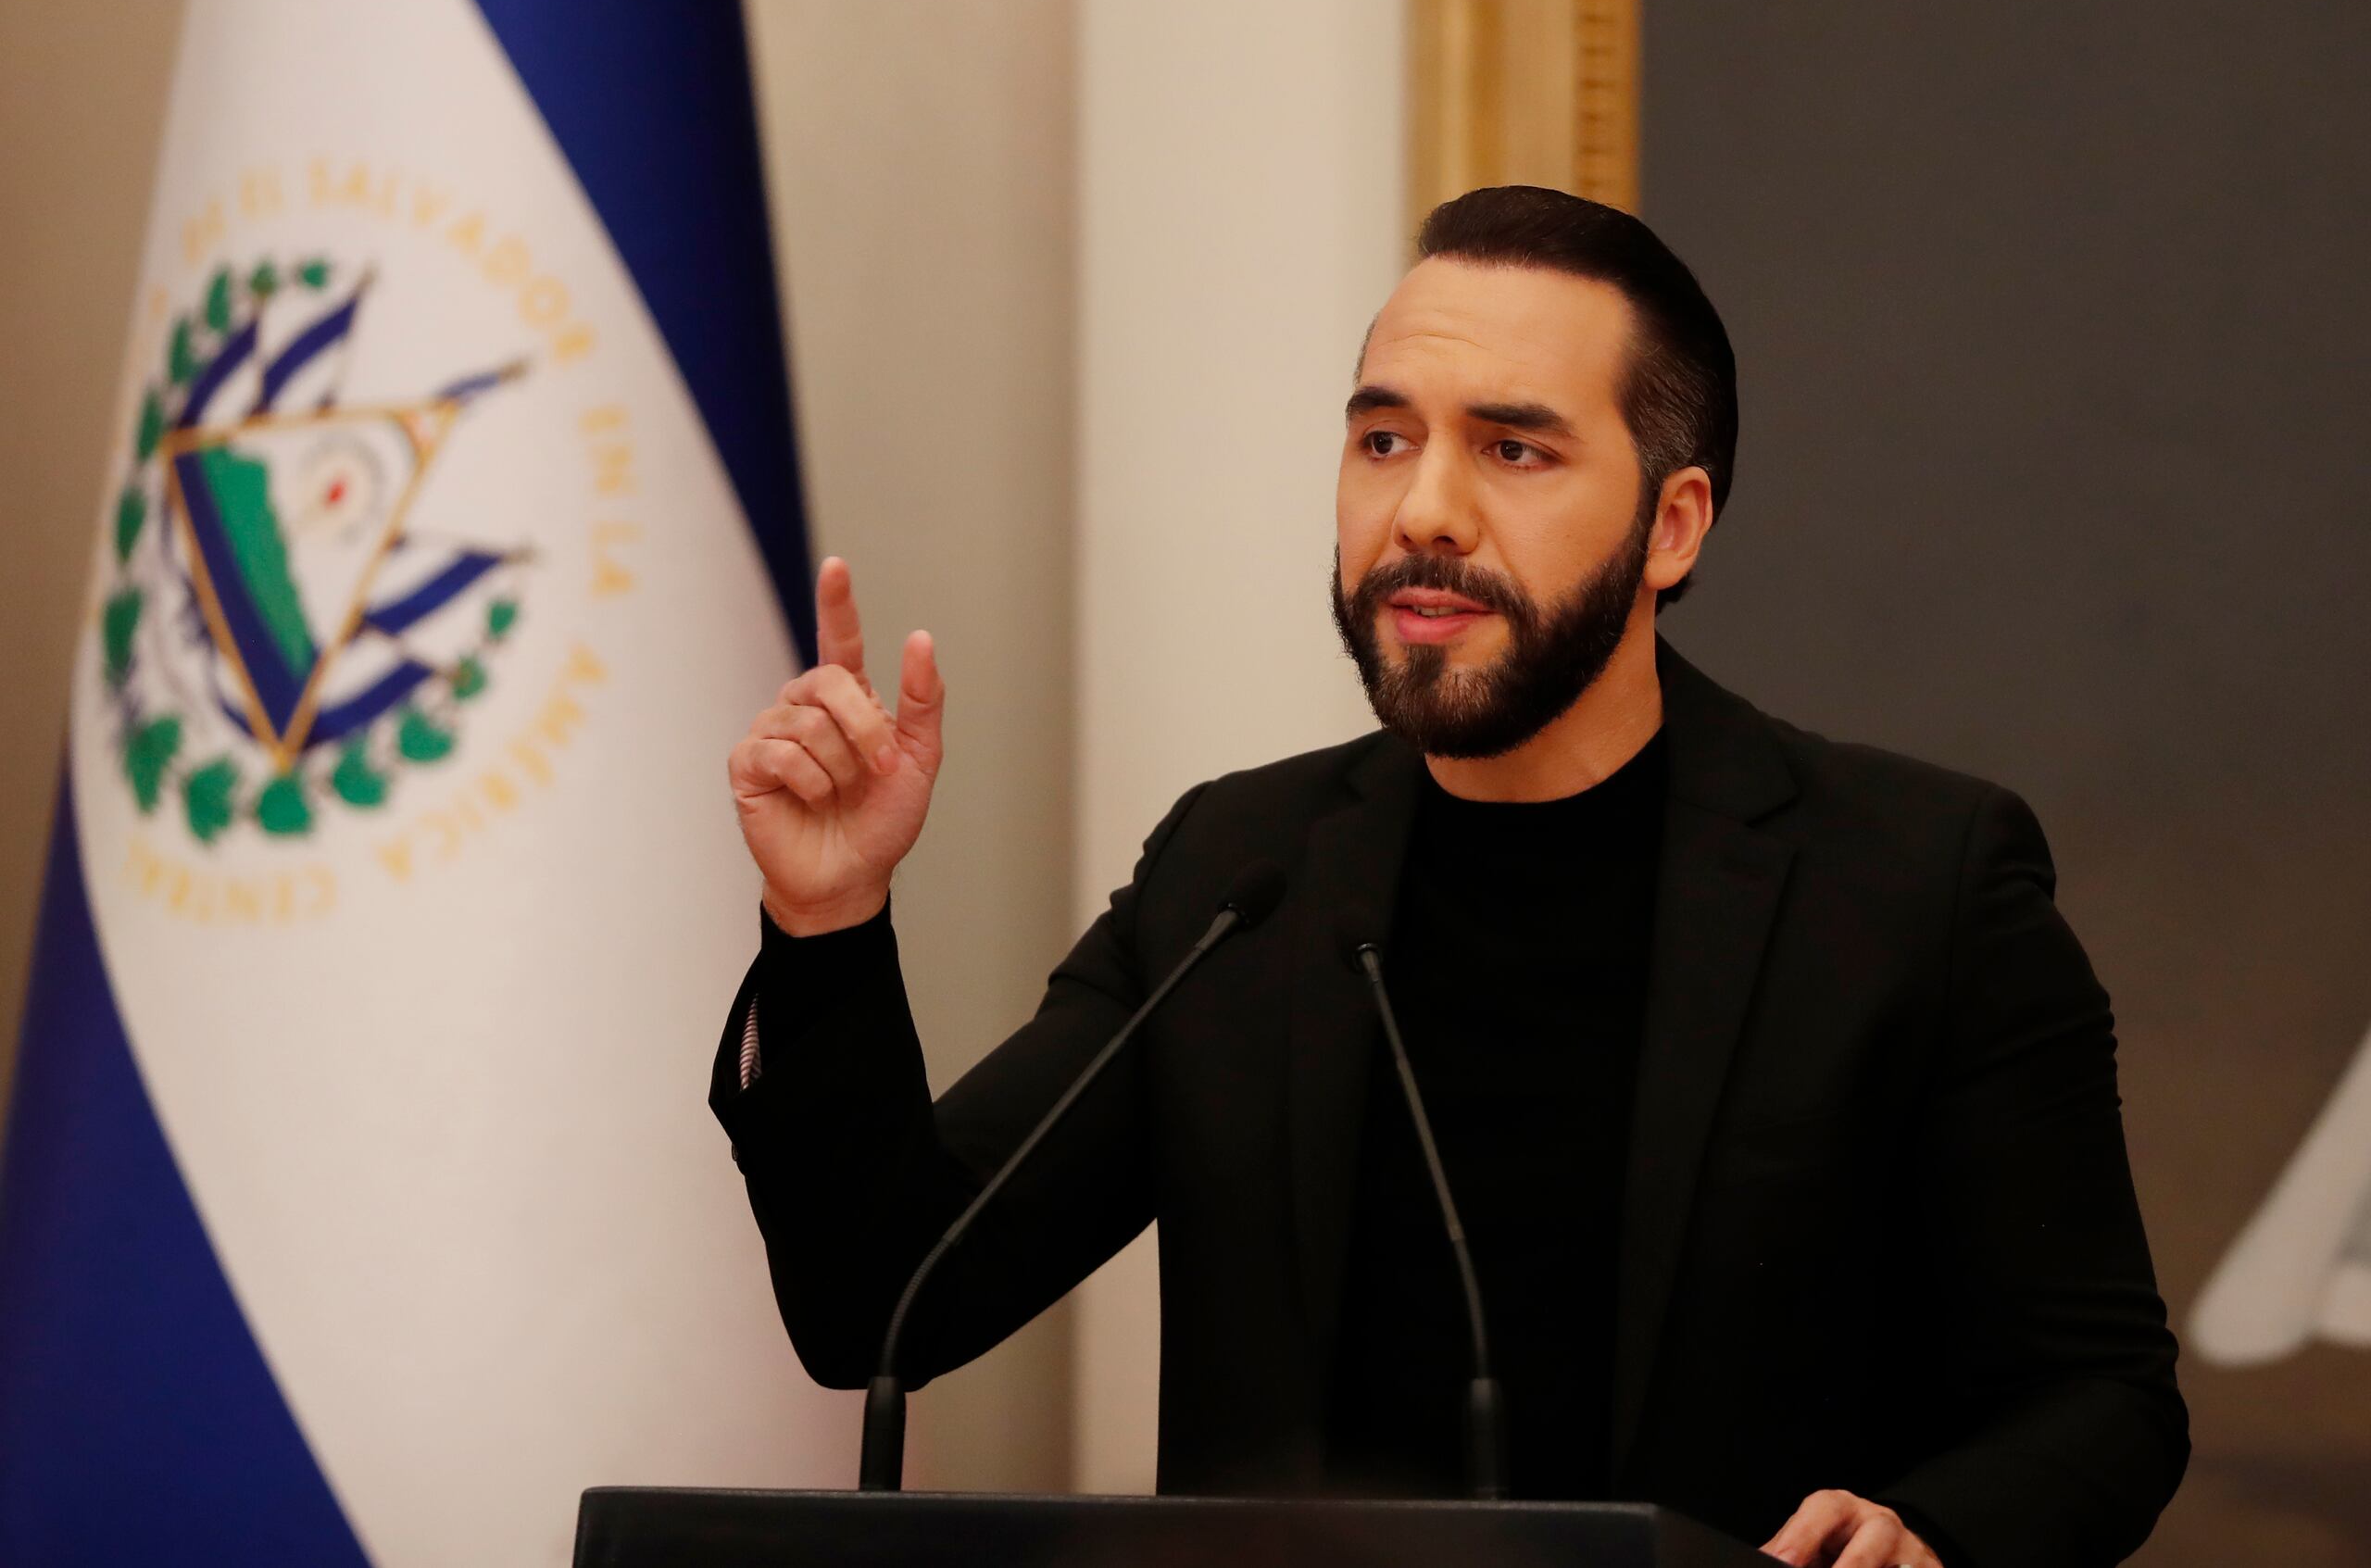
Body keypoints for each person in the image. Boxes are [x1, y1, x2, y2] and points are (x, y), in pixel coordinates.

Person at [713, 186, 2187, 1568]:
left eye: (1513, 448)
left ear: (1671, 527)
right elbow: (880, 1295)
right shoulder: (1241, 877)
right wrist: (826, 922)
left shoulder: (1914, 882)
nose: (1424, 510)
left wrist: (1930, 1531)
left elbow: (2104, 1403)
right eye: (1382, 440)